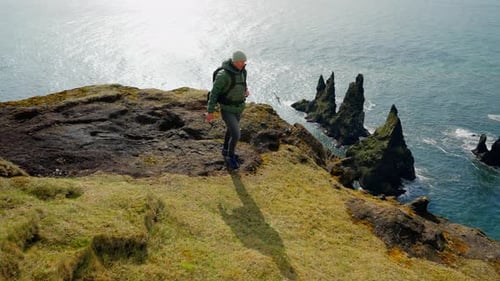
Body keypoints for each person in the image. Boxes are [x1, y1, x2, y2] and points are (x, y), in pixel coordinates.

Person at [206, 51, 249, 169]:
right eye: (241, 62)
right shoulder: (223, 75)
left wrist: (245, 90)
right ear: (234, 61)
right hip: (227, 109)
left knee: (231, 130)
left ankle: (225, 149)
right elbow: (214, 93)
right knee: (236, 134)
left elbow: (243, 83)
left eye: (244, 62)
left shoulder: (243, 71)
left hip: (239, 107)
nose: (243, 64)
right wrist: (210, 111)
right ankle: (230, 156)